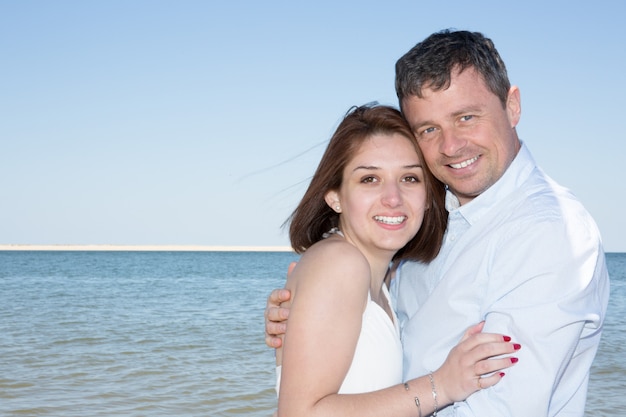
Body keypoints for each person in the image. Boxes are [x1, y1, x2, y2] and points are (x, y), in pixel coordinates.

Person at [266, 30, 610, 416]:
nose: (450, 145)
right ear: (334, 195)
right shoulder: (422, 231)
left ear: (512, 106)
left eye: (466, 117)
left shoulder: (549, 232)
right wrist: (313, 319)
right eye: (429, 129)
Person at [275, 103, 519, 417]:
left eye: (409, 179)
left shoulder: (380, 277)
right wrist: (441, 386)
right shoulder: (339, 263)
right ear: (334, 195)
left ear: (428, 197)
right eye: (369, 179)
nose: (393, 198)